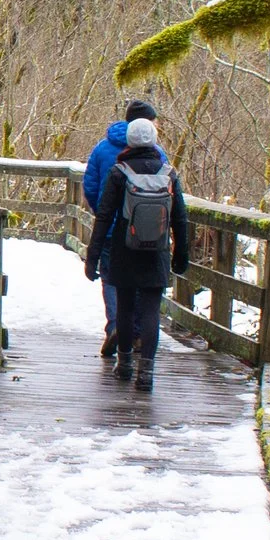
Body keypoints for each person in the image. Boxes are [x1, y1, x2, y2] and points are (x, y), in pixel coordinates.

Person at [85, 117, 189, 391]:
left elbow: (104, 216)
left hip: (124, 249)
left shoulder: (119, 172)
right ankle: (147, 373)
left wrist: (92, 256)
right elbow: (180, 218)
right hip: (157, 251)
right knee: (151, 311)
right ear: (154, 139)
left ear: (130, 140)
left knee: (127, 306)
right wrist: (181, 255)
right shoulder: (168, 172)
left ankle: (125, 365)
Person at [80, 99, 163, 357]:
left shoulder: (102, 148)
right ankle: (136, 334)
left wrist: (103, 212)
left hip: (112, 228)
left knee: (111, 278)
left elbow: (91, 186)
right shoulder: (158, 154)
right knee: (140, 283)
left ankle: (116, 326)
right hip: (147, 232)